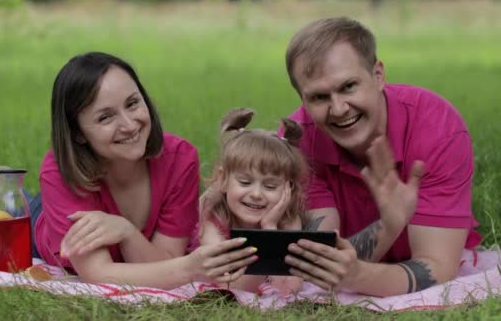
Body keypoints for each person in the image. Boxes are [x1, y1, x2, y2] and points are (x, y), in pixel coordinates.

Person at [281, 17, 481, 297]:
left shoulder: (438, 127)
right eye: (319, 97)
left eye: (348, 86)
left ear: (378, 75)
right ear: (303, 99)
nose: (338, 109)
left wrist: (359, 276)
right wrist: (388, 225)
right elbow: (325, 255)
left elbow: (437, 266)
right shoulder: (297, 140)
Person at [32, 52, 257, 289]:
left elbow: (166, 261)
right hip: (47, 223)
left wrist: (125, 231)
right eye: (106, 117)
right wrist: (190, 268)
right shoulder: (61, 172)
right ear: (77, 133)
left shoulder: (180, 160)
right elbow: (97, 273)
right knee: (14, 209)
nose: (130, 125)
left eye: (132, 103)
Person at [193, 107, 307, 294]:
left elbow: (290, 288)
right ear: (223, 179)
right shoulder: (213, 216)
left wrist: (270, 227)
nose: (256, 194)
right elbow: (231, 285)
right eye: (245, 182)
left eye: (270, 186)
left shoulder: (288, 220)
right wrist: (269, 243)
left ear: (289, 189)